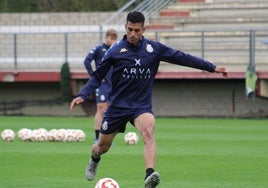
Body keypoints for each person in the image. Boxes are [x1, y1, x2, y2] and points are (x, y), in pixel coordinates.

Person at [70, 11, 227, 188]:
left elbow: (182, 57)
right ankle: (94, 158)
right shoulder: (115, 51)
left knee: (148, 132)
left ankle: (150, 174)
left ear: (144, 29)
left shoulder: (154, 49)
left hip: (140, 106)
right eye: (130, 29)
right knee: (102, 147)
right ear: (125, 27)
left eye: (137, 30)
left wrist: (211, 68)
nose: (133, 34)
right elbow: (97, 76)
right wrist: (83, 94)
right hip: (117, 107)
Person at [83, 29, 118, 143]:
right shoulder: (99, 49)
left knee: (111, 111)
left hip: (114, 84)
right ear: (106, 38)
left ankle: (108, 137)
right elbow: (87, 61)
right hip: (103, 84)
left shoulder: (117, 49)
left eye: (114, 39)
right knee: (101, 109)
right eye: (111, 38)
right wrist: (94, 75)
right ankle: (97, 137)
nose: (112, 41)